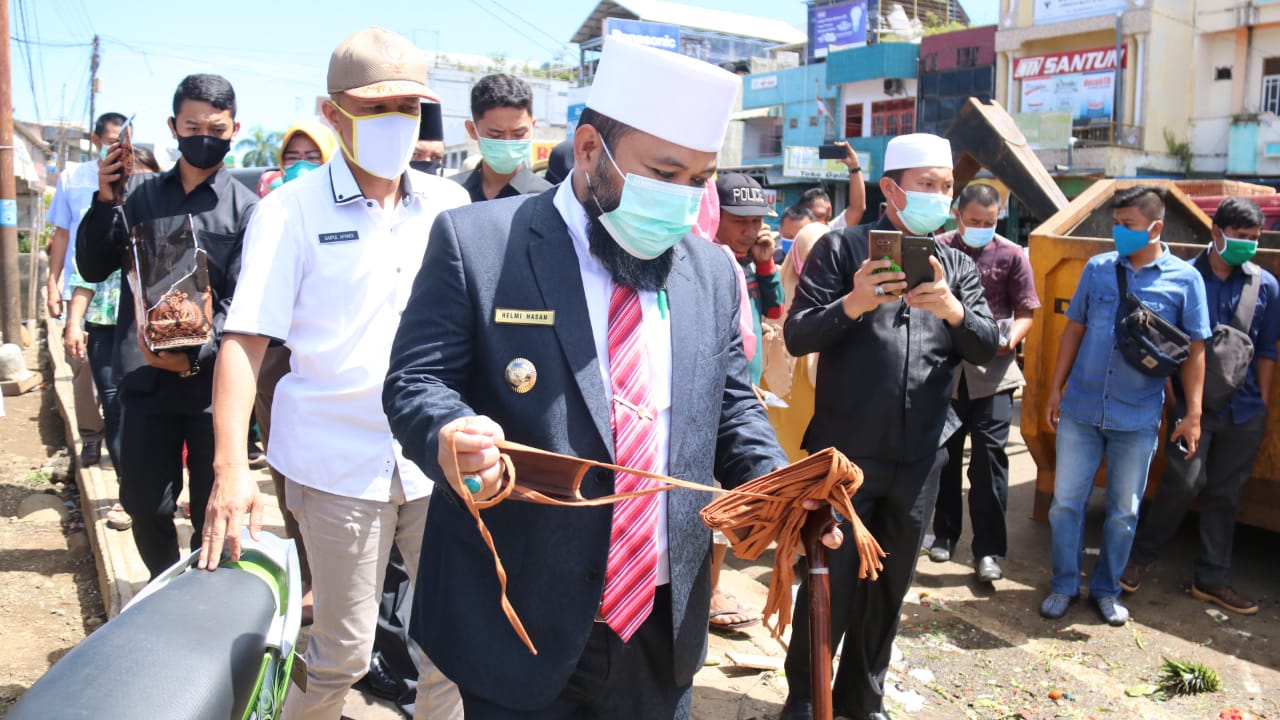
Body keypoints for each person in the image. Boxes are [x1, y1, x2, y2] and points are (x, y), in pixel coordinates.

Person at [381, 38, 840, 720]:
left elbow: (729, 408)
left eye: (699, 178)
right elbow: (415, 381)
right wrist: (450, 432)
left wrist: (781, 488)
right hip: (519, 620)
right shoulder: (478, 243)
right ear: (591, 149)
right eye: (664, 172)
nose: (682, 198)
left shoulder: (709, 271)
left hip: (659, 623)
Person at [197, 28, 470, 720]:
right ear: (332, 113)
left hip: (438, 460)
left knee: (456, 650)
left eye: (410, 109)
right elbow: (243, 344)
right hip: (336, 462)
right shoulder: (290, 212)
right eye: (377, 110)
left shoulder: (450, 207)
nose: (397, 125)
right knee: (343, 651)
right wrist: (232, 469)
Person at [779, 132, 998, 720]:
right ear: (891, 189)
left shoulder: (955, 264)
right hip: (846, 457)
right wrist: (851, 304)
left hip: (922, 454)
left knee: (890, 584)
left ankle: (863, 697)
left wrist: (953, 311)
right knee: (830, 578)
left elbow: (988, 345)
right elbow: (798, 334)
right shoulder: (841, 250)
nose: (940, 197)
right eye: (928, 185)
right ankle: (806, 695)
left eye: (946, 187)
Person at [76, 74, 256, 579]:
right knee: (145, 504)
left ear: (234, 129)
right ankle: (161, 581)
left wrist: (194, 354)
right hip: (146, 379)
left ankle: (201, 595)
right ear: (173, 126)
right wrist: (106, 198)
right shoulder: (139, 197)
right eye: (192, 125)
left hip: (212, 388)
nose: (203, 135)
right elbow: (93, 265)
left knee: (210, 512)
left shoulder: (248, 211)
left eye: (215, 127)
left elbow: (243, 305)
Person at [1041, 185, 1210, 627]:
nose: (1119, 232)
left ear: (1156, 228)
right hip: (1081, 408)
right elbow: (1073, 329)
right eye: (1116, 224)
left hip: (1137, 415)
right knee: (1064, 504)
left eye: (1128, 226)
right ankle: (1063, 584)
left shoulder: (1185, 279)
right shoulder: (1097, 269)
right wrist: (1055, 388)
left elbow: (1195, 351)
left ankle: (1106, 589)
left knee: (1123, 511)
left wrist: (1192, 413)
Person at [1120, 196, 1279, 615]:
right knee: (1184, 482)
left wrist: (1260, 400)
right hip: (1191, 408)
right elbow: (1165, 342)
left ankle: (1211, 579)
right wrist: (1171, 398)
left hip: (1243, 411)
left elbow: (1267, 350)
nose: (1247, 245)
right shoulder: (1184, 276)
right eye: (1239, 237)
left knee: (1226, 493)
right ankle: (1139, 559)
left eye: (1254, 239)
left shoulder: (1264, 285)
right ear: (1216, 232)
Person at [929, 184, 1040, 583]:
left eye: (989, 223)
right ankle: (944, 533)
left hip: (994, 372)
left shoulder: (1011, 254)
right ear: (957, 215)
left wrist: (1011, 339)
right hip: (945, 367)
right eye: (974, 221)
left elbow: (1027, 310)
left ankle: (988, 550)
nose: (981, 228)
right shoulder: (937, 248)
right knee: (943, 456)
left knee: (990, 461)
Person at [63, 148, 161, 532]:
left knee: (160, 414)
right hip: (105, 328)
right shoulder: (103, 220)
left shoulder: (165, 223)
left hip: (155, 330)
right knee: (117, 410)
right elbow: (84, 276)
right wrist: (74, 323)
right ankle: (129, 493)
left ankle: (161, 490)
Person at [47, 112, 125, 467]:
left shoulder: (138, 178)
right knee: (82, 369)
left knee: (116, 382)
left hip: (120, 295)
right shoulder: (73, 178)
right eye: (111, 138)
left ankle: (120, 447)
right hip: (81, 286)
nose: (117, 145)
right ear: (96, 140)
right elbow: (63, 233)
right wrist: (53, 283)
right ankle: (91, 437)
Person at [715, 173, 783, 387]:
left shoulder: (752, 262)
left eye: (757, 221)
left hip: (749, 387)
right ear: (715, 216)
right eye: (739, 221)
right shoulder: (707, 264)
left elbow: (775, 310)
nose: (750, 231)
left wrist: (765, 263)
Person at [450, 73, 551, 202]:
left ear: (532, 126)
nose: (508, 143)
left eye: (519, 133)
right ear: (472, 130)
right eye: (495, 135)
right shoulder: (449, 193)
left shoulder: (547, 199)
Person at [256, 120, 336, 197]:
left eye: (312, 157)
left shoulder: (344, 205)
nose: (301, 168)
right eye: (292, 158)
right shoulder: (272, 203)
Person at [826, 141, 867, 231]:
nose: (820, 223)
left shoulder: (829, 230)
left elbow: (857, 208)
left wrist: (854, 166)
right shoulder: (795, 231)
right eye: (817, 216)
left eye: (826, 218)